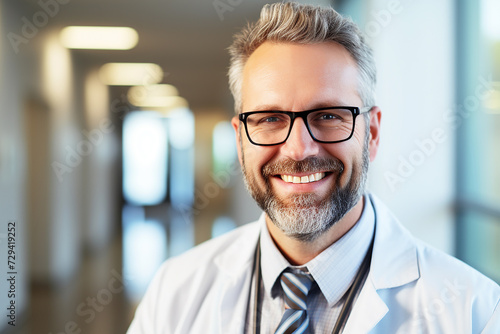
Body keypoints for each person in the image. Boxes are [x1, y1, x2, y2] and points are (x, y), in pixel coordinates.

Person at [127, 2, 500, 333]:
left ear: (371, 132)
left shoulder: (474, 312)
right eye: (270, 118)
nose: (299, 149)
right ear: (240, 141)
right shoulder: (174, 292)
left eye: (327, 115)